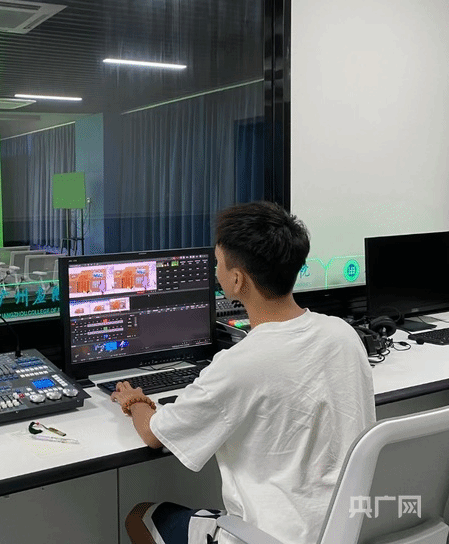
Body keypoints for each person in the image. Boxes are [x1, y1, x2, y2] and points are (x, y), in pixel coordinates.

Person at [111, 201, 375, 544]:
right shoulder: (343, 334)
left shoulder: (239, 364)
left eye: (218, 263)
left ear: (237, 280)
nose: (215, 271)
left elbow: (153, 434)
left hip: (263, 537)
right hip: (338, 530)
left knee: (140, 516)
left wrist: (134, 400)